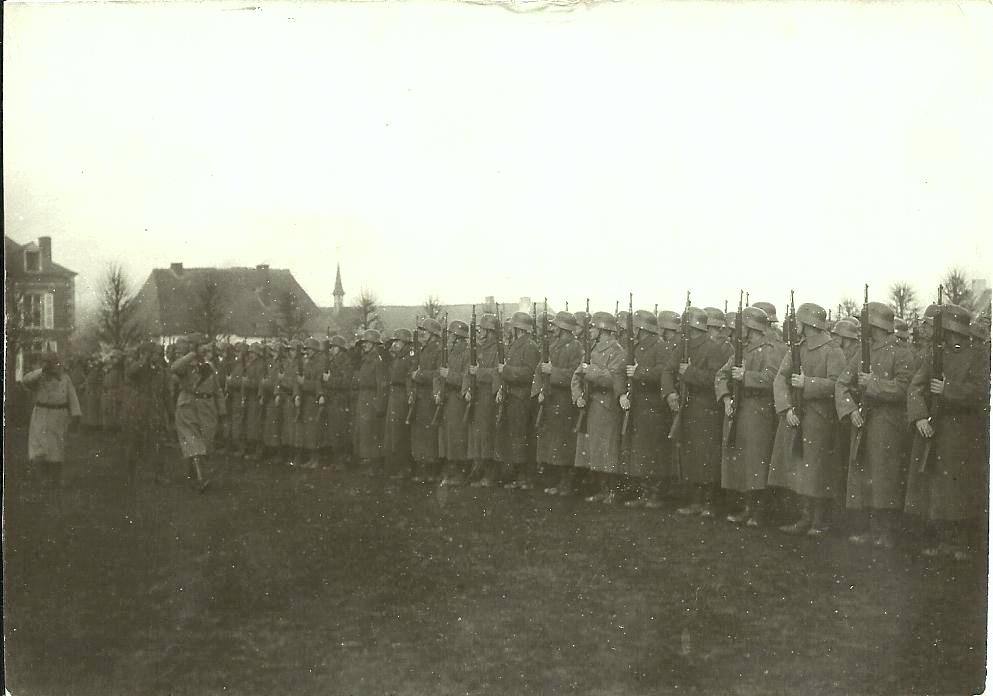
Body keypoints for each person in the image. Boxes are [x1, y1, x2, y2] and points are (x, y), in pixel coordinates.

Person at [904, 304, 991, 560]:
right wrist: (919, 417)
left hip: (962, 432)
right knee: (937, 487)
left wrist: (948, 389)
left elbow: (983, 392)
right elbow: (915, 387)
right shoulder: (934, 354)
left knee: (959, 488)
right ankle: (943, 539)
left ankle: (960, 542)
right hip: (934, 429)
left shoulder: (980, 354)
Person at [836, 302, 915, 547]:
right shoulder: (863, 352)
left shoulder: (902, 352)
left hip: (888, 423)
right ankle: (870, 530)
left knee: (885, 478)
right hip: (863, 420)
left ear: (877, 325)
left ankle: (887, 533)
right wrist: (850, 411)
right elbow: (842, 383)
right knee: (864, 476)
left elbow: (905, 389)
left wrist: (873, 383)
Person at [767, 303, 846, 535]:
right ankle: (805, 517)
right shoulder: (797, 349)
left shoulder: (833, 351)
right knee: (799, 469)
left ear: (809, 324)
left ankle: (819, 521)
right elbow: (780, 378)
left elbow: (838, 384)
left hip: (820, 420)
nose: (796, 326)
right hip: (795, 416)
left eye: (799, 322)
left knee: (818, 472)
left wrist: (807, 383)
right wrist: (786, 408)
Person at [717, 307, 785, 526]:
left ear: (752, 327)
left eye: (743, 326)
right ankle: (748, 508)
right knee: (741, 462)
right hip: (739, 409)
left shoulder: (771, 350)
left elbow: (773, 378)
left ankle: (759, 512)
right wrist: (726, 397)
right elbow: (721, 375)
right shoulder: (742, 349)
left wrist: (746, 376)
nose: (740, 331)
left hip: (759, 410)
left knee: (756, 462)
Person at [661, 306, 732, 516]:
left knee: (706, 457)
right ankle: (695, 501)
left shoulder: (712, 348)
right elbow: (667, 370)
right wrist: (669, 393)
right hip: (687, 407)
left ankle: (708, 503)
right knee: (691, 455)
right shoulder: (683, 347)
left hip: (706, 408)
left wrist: (689, 373)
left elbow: (715, 379)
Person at [621, 309, 675, 508]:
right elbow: (621, 370)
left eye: (635, 327)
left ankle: (655, 494)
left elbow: (663, 372)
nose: (633, 330)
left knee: (654, 451)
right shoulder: (636, 347)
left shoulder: (660, 347)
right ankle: (645, 492)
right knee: (640, 452)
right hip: (638, 404)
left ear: (642, 328)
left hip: (654, 406)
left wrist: (639, 372)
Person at [572, 311, 626, 504]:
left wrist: (591, 371)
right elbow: (577, 375)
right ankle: (601, 489)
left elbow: (614, 379)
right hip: (592, 405)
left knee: (608, 449)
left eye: (594, 327)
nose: (591, 331)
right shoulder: (592, 349)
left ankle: (612, 491)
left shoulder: (618, 351)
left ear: (603, 329)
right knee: (594, 450)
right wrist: (578, 396)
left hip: (608, 406)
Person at [171, 334, 227, 492]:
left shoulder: (209, 366)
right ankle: (201, 480)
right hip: (188, 406)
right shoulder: (186, 365)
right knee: (195, 443)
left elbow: (217, 390)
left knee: (206, 444)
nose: (206, 348)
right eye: (203, 345)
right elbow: (174, 368)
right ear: (195, 347)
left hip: (207, 408)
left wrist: (222, 411)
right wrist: (192, 355)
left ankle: (192, 474)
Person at [536, 311, 583, 496]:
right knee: (553, 443)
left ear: (563, 328)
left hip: (565, 401)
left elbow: (575, 374)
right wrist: (541, 390)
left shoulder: (576, 347)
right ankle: (556, 480)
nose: (552, 328)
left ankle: (567, 482)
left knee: (564, 443)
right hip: (551, 398)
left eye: (556, 325)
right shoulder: (553, 345)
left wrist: (552, 371)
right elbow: (540, 370)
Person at [23, 352, 81, 491]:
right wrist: (42, 370)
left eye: (52, 363)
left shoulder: (65, 378)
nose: (50, 366)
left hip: (59, 415)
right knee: (39, 446)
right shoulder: (38, 377)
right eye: (46, 362)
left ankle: (56, 478)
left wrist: (76, 415)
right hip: (41, 413)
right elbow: (26, 381)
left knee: (56, 447)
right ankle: (42, 478)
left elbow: (72, 397)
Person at [495, 311, 541, 490]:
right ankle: (518, 475)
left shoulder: (530, 346)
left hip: (522, 399)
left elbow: (529, 373)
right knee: (514, 436)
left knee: (522, 437)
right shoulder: (517, 345)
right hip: (512, 397)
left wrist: (505, 370)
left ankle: (524, 477)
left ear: (518, 328)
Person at [121, 342, 171, 485]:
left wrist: (170, 411)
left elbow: (166, 392)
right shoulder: (139, 368)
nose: (158, 356)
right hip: (138, 409)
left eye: (159, 353)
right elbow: (130, 372)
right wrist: (143, 361)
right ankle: (131, 474)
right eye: (155, 353)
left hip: (156, 410)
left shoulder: (161, 370)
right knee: (134, 442)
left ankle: (159, 475)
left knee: (159, 443)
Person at [466, 313, 503, 488]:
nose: (480, 333)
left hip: (490, 396)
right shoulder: (479, 349)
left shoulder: (498, 350)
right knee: (478, 434)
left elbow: (498, 373)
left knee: (488, 435)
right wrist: (467, 388)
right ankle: (478, 468)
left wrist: (478, 373)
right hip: (478, 395)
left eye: (483, 329)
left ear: (490, 332)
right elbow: (469, 371)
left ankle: (490, 473)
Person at [410, 317, 444, 483]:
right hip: (420, 397)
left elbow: (438, 374)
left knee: (430, 434)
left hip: (431, 397)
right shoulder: (422, 350)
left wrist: (419, 376)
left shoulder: (438, 351)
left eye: (425, 331)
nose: (422, 334)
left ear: (433, 334)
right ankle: (422, 468)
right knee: (420, 433)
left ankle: (432, 470)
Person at [439, 319, 471, 486]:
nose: (450, 338)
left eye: (452, 335)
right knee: (448, 437)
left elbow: (467, 378)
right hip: (447, 399)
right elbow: (438, 375)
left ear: (459, 337)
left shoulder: (467, 353)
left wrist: (448, 375)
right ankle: (450, 471)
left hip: (458, 400)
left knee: (458, 437)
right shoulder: (448, 352)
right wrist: (438, 392)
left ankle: (460, 472)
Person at [354, 329, 388, 475]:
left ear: (375, 344)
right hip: (364, 398)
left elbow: (382, 385)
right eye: (364, 342)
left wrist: (380, 405)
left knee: (373, 432)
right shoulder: (366, 360)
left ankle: (376, 465)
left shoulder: (377, 362)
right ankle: (370, 462)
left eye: (368, 342)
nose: (365, 345)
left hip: (372, 398)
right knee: (365, 432)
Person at [384, 329, 414, 481]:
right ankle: (395, 466)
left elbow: (409, 377)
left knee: (400, 432)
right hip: (394, 394)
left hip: (402, 395)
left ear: (405, 343)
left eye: (398, 341)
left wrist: (409, 395)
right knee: (392, 432)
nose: (395, 344)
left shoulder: (409, 357)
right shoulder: (396, 357)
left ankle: (404, 467)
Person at [322, 336, 354, 470]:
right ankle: (336, 461)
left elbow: (346, 382)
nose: (332, 350)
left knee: (340, 432)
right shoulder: (332, 361)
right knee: (333, 432)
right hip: (333, 400)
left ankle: (341, 462)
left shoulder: (346, 362)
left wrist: (329, 380)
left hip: (341, 401)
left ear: (340, 349)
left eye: (334, 347)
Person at [297, 338, 327, 469]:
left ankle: (316, 459)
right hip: (307, 400)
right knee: (308, 431)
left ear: (315, 351)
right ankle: (311, 458)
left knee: (315, 431)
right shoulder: (307, 363)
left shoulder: (320, 364)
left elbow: (318, 383)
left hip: (315, 400)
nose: (307, 352)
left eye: (309, 349)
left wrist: (304, 383)